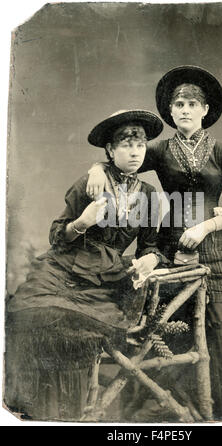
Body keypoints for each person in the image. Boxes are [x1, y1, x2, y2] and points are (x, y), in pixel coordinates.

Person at [86, 66, 222, 421]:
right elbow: (122, 158)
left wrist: (207, 226)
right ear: (170, 111)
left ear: (205, 110)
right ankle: (170, 406)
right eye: (177, 104)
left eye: (191, 104)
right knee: (170, 325)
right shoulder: (161, 149)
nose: (183, 109)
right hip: (172, 246)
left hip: (219, 248)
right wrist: (94, 169)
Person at [5, 109, 166, 421]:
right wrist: (82, 221)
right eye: (125, 145)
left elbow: (150, 245)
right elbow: (57, 237)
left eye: (140, 146)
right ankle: (34, 406)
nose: (134, 152)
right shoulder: (90, 183)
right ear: (109, 150)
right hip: (64, 267)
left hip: (107, 278)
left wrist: (150, 258)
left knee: (74, 323)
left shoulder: (150, 196)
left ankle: (69, 408)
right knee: (26, 311)